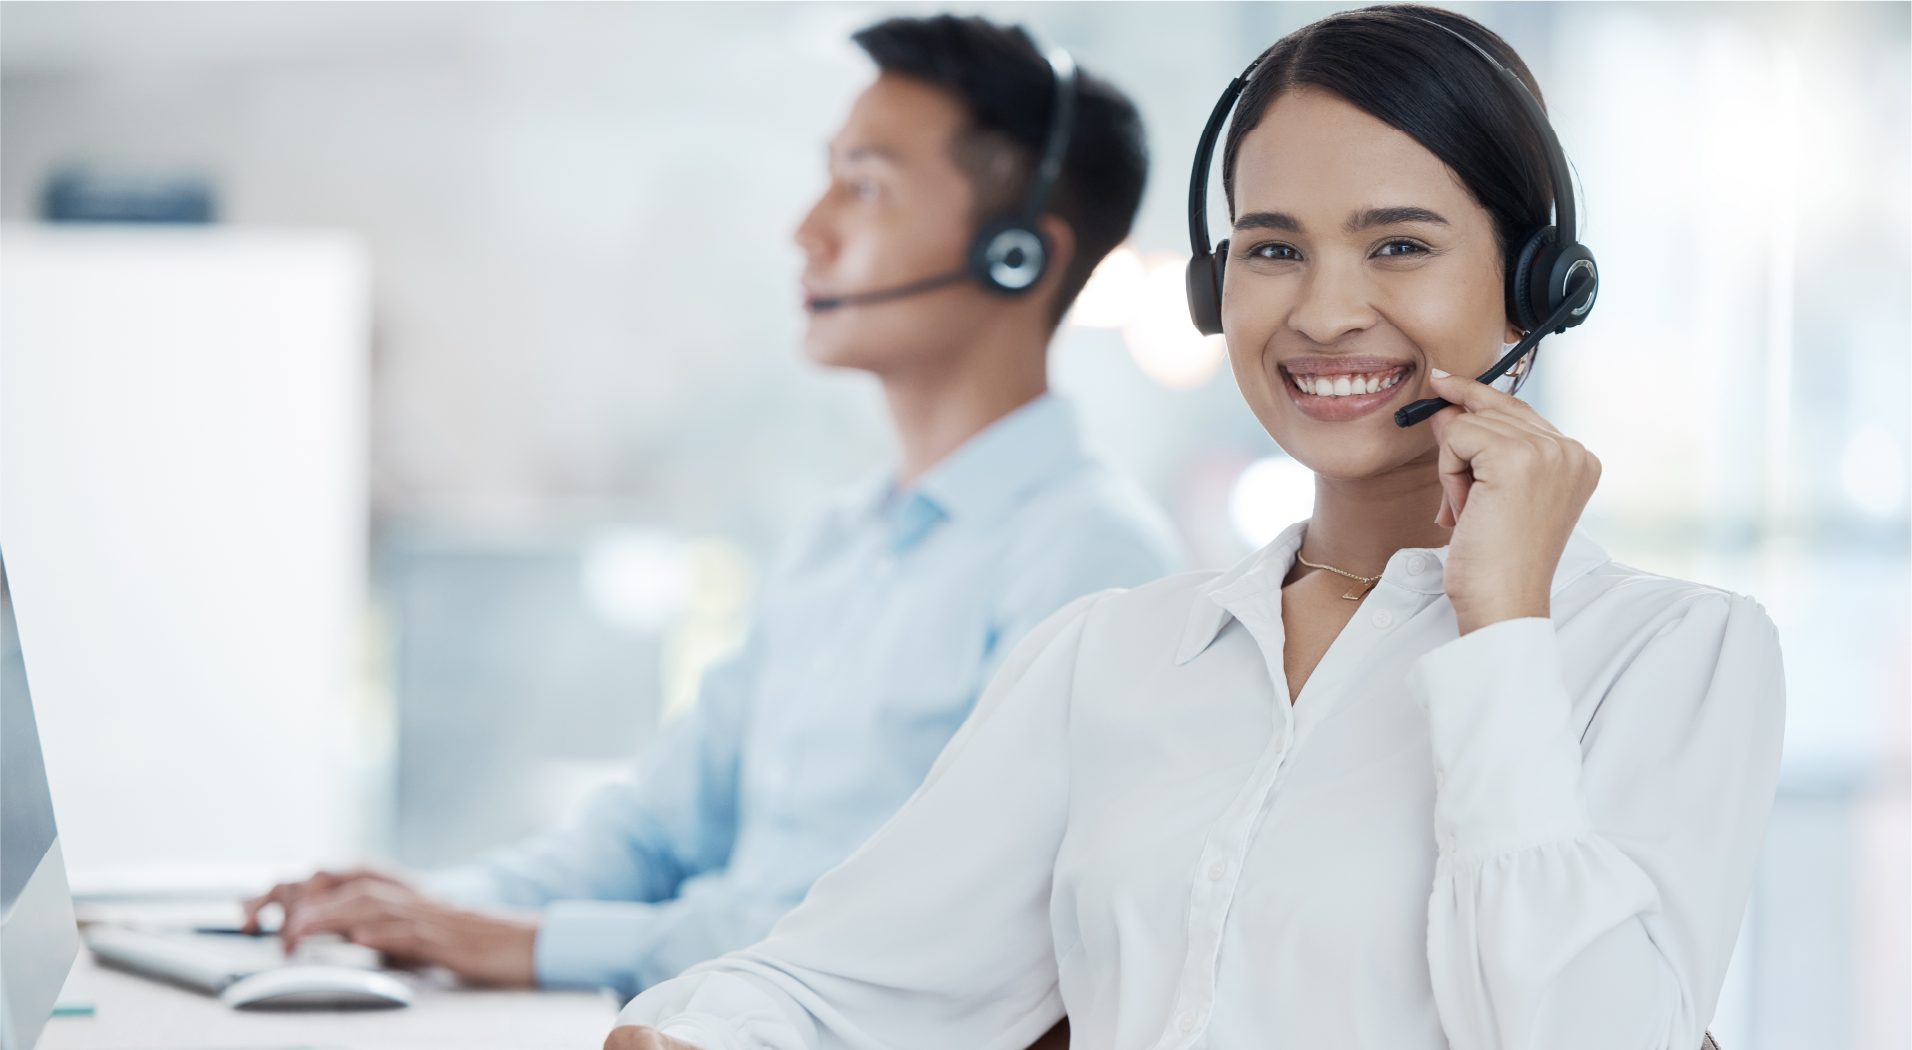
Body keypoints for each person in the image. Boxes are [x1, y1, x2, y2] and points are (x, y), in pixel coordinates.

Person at [606, 7, 1786, 1049]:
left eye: (1398, 246)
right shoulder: (1106, 656)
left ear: (1538, 282)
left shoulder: (1673, 653)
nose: (1322, 312)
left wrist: (1502, 635)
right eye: (1272, 249)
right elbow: (839, 985)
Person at [241, 15, 1183, 998]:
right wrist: (423, 909)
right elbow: (655, 828)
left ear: (1016, 255)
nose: (806, 231)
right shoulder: (841, 540)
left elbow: (909, 931)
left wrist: (520, 940)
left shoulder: (1091, 566)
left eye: (864, 186)